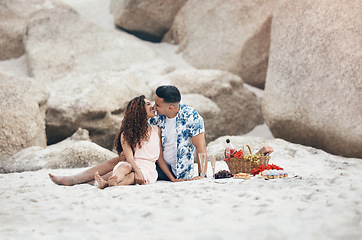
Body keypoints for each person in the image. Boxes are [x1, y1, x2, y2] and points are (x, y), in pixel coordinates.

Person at [49, 85, 207, 185]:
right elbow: (135, 127)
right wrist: (126, 150)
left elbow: (201, 147)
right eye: (153, 103)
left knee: (128, 169)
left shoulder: (191, 117)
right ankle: (75, 179)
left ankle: (94, 182)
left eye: (157, 104)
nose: (154, 106)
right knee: (121, 160)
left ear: (171, 108)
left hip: (176, 171)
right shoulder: (157, 116)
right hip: (154, 164)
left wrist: (202, 174)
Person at [93, 95, 176, 188]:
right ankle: (114, 179)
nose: (152, 106)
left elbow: (160, 159)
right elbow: (130, 158)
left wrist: (172, 178)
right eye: (148, 104)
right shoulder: (126, 134)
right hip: (132, 164)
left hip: (148, 168)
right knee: (123, 167)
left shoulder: (157, 130)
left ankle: (107, 184)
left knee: (132, 177)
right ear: (140, 110)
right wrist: (137, 170)